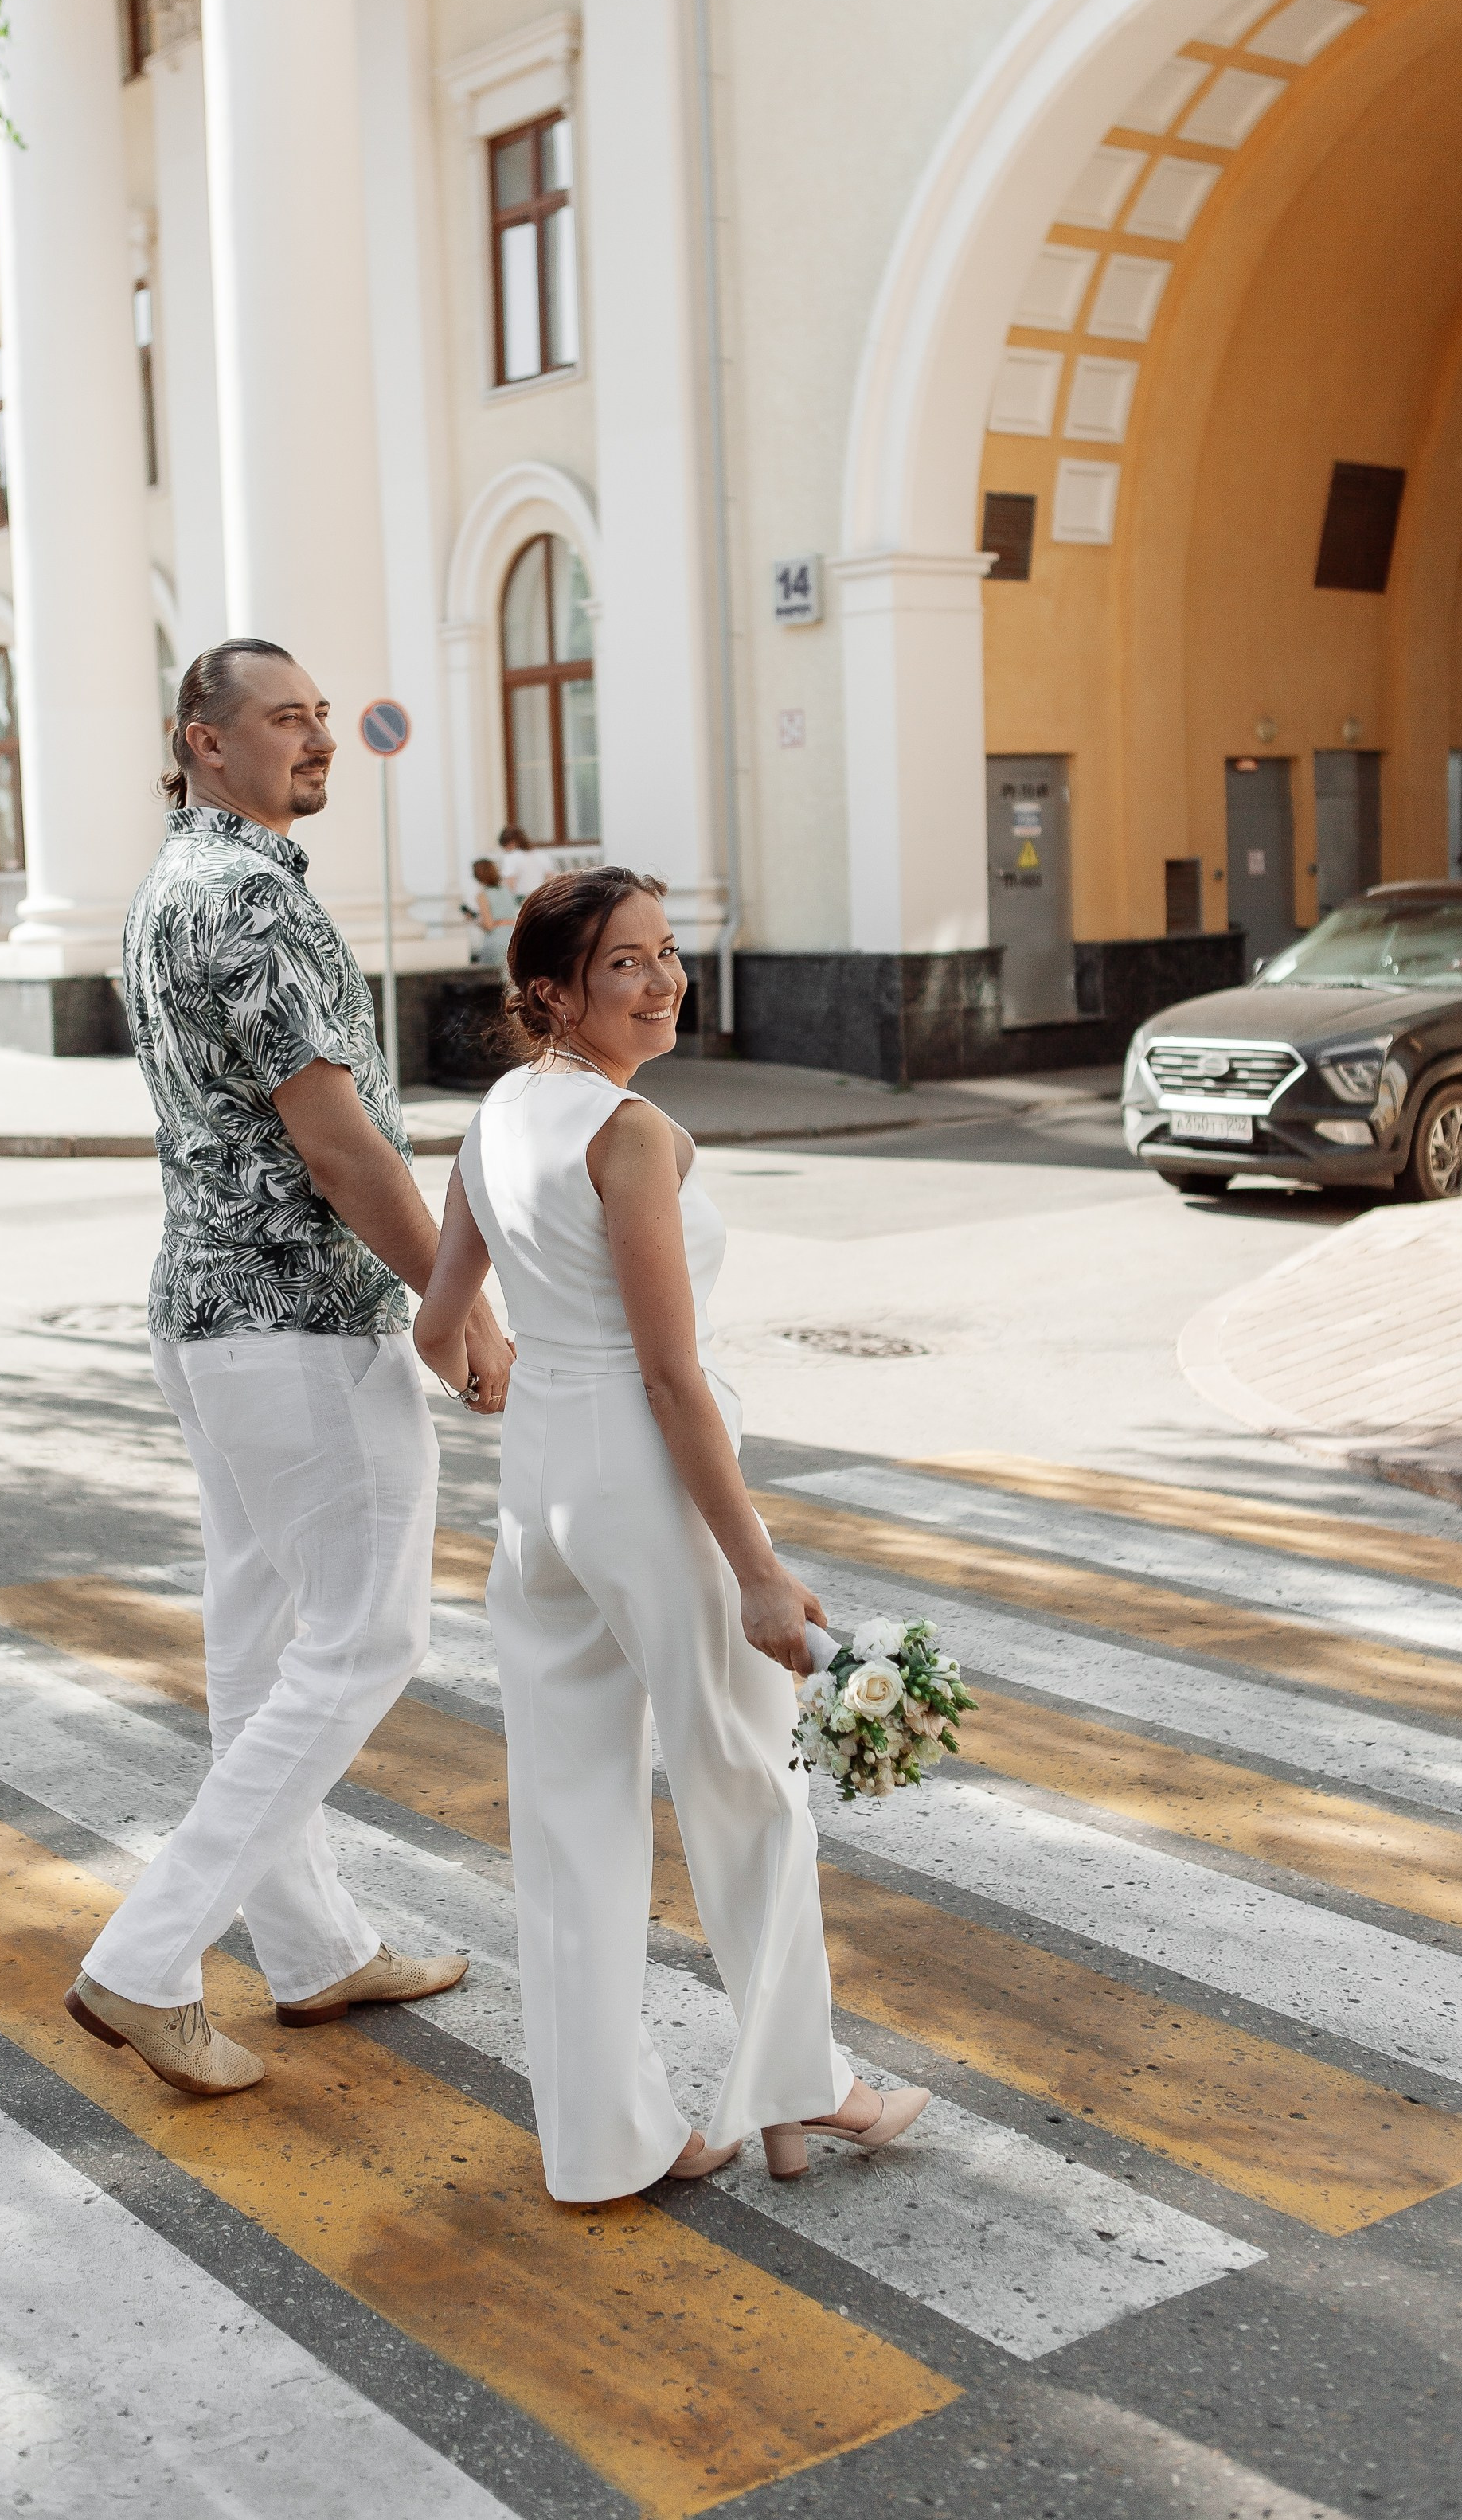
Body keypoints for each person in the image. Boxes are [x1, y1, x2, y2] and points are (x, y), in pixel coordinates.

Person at [413, 868, 928, 2196]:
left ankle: (609, 2144)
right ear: (552, 993)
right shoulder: (631, 1134)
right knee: (748, 1791)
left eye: (667, 954)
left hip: (542, 1498)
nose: (663, 982)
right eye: (624, 964)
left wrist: (523, 1386)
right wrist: (757, 1570)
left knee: (570, 1811)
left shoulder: (499, 1112)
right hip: (647, 1488)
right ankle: (802, 2088)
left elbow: (440, 1330)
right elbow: (669, 1377)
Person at [66, 636, 512, 2096]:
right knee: (368, 1641)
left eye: (324, 719)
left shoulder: (171, 886)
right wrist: (453, 1304)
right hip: (300, 1321)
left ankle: (312, 1951)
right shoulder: (246, 896)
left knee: (261, 1650)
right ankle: (144, 1962)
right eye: (284, 721)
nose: (317, 741)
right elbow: (335, 1143)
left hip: (208, 1313)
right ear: (203, 740)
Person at [461, 855, 519, 968]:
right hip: (514, 936)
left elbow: (489, 925)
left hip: (496, 940)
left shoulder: (482, 895)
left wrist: (473, 919)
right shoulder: (507, 890)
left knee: (491, 978)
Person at [496, 823, 555, 904]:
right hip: (540, 899)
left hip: (520, 900)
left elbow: (510, 884)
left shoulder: (511, 857)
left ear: (512, 843)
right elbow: (550, 879)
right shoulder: (542, 855)